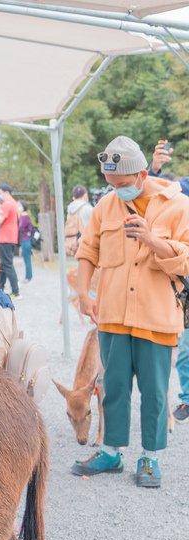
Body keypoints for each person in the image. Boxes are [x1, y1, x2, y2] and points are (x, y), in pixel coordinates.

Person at [72, 136, 189, 488]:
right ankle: (111, 451)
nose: (116, 191)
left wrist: (152, 240)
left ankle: (150, 458)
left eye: (122, 185)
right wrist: (83, 293)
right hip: (112, 315)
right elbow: (87, 251)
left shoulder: (177, 204)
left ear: (141, 173)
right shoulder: (107, 206)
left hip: (156, 316)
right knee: (114, 387)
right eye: (111, 184)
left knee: (155, 392)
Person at [148, 140, 189, 423]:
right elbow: (156, 192)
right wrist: (155, 169)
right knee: (184, 352)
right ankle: (187, 399)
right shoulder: (184, 189)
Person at [0, 183, 21, 298]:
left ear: (6, 193)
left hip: (6, 238)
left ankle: (16, 292)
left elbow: (0, 219)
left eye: (0, 193)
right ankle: (0, 289)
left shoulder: (8, 204)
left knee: (7, 264)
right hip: (9, 237)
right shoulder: (14, 203)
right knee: (2, 264)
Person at [64, 185, 94, 259]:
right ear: (85, 195)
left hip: (74, 242)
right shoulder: (88, 208)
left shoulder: (70, 209)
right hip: (87, 243)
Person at [18, 200, 34, 283]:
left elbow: (20, 228)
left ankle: (28, 277)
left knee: (27, 259)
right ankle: (28, 276)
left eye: (19, 205)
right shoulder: (22, 216)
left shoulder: (25, 217)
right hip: (24, 240)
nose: (18, 207)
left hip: (26, 240)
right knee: (26, 259)